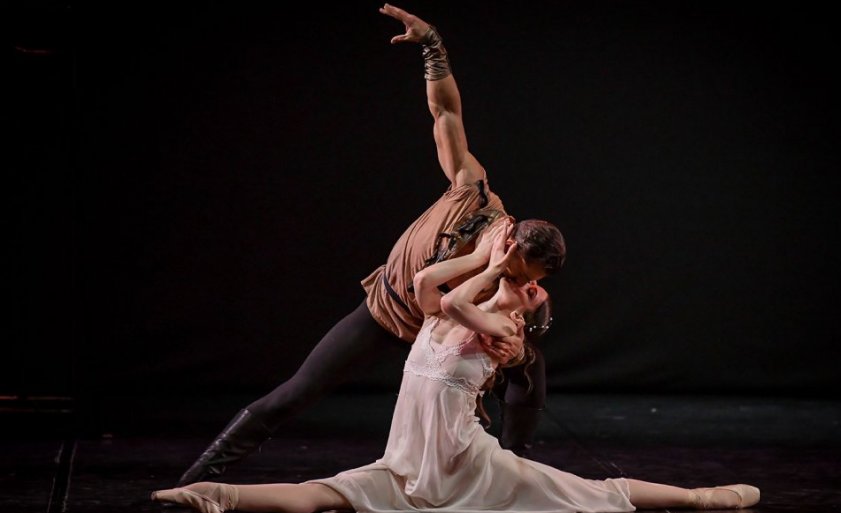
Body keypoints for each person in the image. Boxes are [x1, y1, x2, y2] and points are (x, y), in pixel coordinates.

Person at [151, 193, 761, 512]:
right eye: (530, 280)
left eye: (533, 290)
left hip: (461, 460)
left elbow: (443, 299)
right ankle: (213, 495)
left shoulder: (498, 329)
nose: (531, 287)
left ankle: (701, 498)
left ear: (522, 313)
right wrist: (488, 262)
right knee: (324, 494)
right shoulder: (463, 305)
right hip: (413, 460)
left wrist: (492, 273)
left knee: (595, 495)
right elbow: (425, 287)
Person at [175, 0, 567, 489]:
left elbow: (489, 316)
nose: (514, 279)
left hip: (442, 337)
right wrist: (433, 47)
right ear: (510, 237)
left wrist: (519, 339)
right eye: (517, 270)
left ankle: (512, 473)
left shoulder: (503, 280)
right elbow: (445, 112)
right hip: (387, 311)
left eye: (525, 279)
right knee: (298, 390)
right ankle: (196, 479)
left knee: (530, 369)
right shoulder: (473, 192)